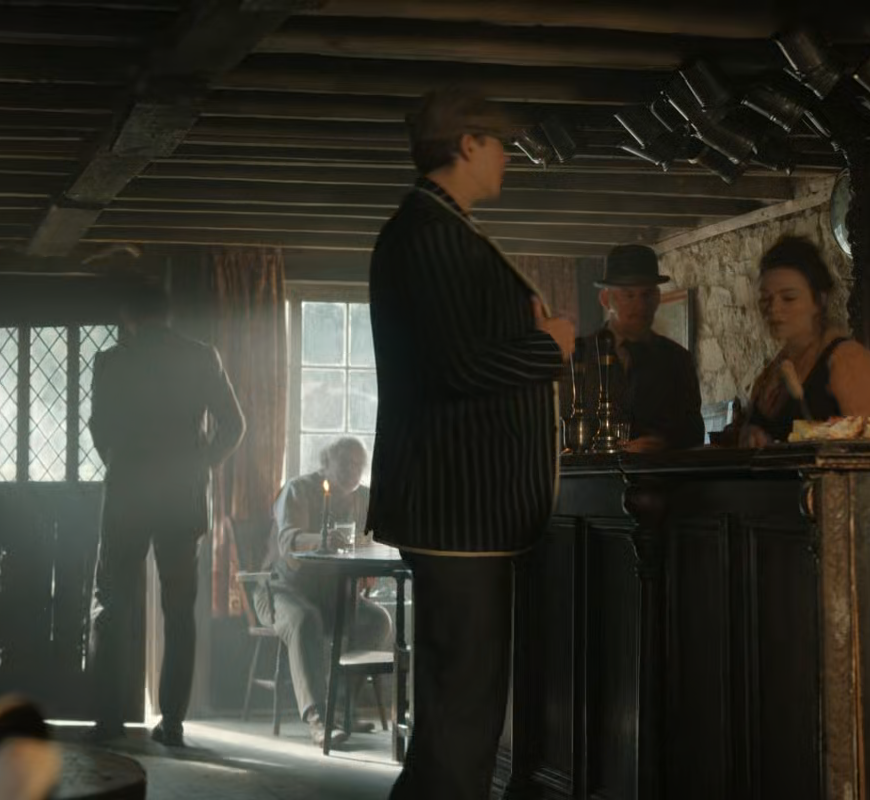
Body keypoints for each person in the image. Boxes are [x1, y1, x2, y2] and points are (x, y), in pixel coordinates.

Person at [367, 87, 576, 799]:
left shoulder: (434, 227)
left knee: (455, 714)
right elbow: (454, 368)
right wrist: (549, 346)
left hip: (460, 508)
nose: (508, 157)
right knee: (463, 715)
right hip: (459, 505)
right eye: (500, 143)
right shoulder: (432, 234)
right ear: (467, 145)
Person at [86, 280, 245, 747]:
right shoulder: (202, 357)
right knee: (178, 610)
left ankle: (108, 720)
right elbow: (234, 424)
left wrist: (118, 463)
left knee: (112, 605)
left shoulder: (112, 361)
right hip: (182, 496)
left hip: (127, 494)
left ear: (128, 316)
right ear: (168, 314)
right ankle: (172, 722)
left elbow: (99, 425)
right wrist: (201, 464)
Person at [261, 437, 392, 748]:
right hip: (282, 590)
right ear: (325, 463)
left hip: (332, 595)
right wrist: (321, 539)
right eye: (345, 462)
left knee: (377, 620)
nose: (352, 470)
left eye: (358, 464)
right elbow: (287, 541)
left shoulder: (364, 498)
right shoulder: (298, 489)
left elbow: (375, 540)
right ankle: (319, 720)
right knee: (306, 619)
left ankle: (341, 709)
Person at [735, 236, 870, 447]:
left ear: (820, 300)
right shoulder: (774, 369)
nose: (773, 309)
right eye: (766, 299)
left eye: (788, 298)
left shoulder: (849, 361)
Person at [572, 244, 705, 452]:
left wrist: (662, 446)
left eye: (647, 295)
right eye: (629, 295)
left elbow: (694, 433)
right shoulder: (578, 357)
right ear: (606, 299)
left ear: (658, 297)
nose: (640, 306)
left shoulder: (677, 360)